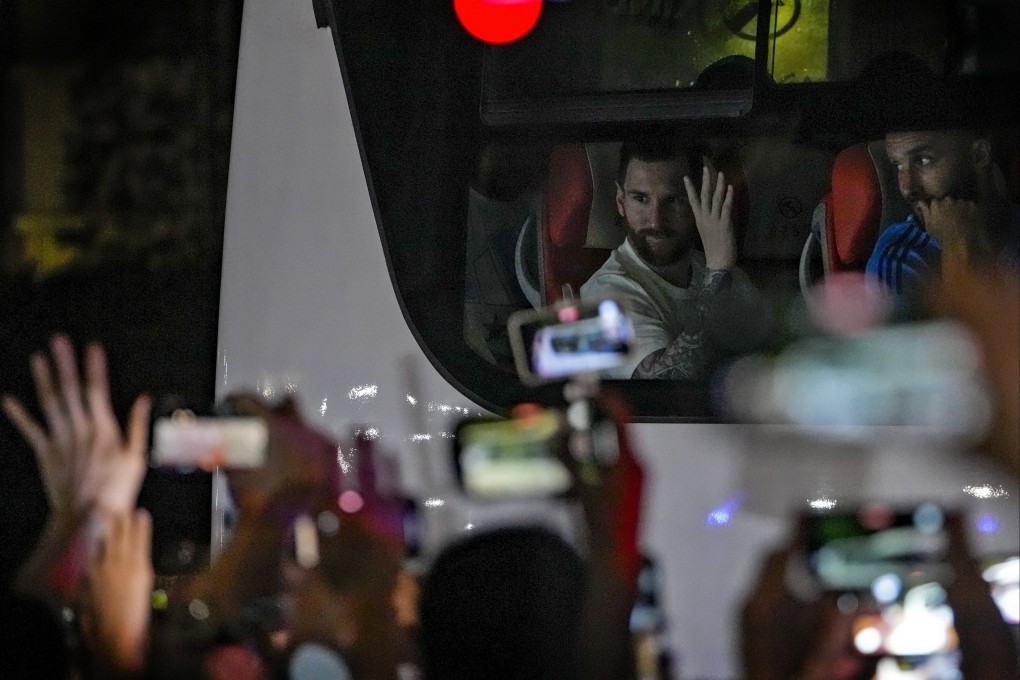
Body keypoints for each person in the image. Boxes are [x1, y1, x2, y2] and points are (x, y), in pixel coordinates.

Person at [580, 138, 775, 379]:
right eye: (640, 199)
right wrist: (717, 272)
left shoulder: (713, 268)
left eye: (674, 200)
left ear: (697, 204)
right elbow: (662, 382)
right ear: (621, 202)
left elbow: (773, 346)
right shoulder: (605, 295)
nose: (655, 221)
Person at [865, 127, 1020, 308]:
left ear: (979, 155)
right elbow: (968, 336)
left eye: (923, 160)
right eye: (898, 165)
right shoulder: (898, 261)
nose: (907, 187)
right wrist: (956, 246)